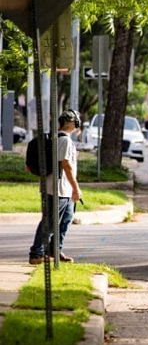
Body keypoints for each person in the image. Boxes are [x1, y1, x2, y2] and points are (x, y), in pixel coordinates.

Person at [29, 110, 82, 265]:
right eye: (77, 121)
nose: (78, 124)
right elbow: (65, 164)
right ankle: (36, 253)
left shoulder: (61, 140)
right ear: (71, 122)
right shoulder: (63, 140)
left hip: (64, 189)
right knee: (50, 222)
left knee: (66, 219)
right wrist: (76, 188)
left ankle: (55, 249)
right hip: (57, 189)